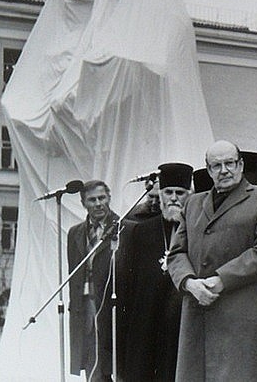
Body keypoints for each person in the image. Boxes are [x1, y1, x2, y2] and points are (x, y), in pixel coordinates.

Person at [167, 140, 257, 381]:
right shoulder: (193, 203)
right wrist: (189, 283)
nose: (224, 170)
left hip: (239, 315)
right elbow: (176, 253)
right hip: (197, 309)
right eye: (216, 165)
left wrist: (220, 279)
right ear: (208, 170)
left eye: (230, 163)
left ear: (241, 165)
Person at [119, 162, 193, 381]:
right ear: (160, 195)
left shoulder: (196, 230)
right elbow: (128, 283)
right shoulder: (141, 231)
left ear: (189, 195)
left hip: (179, 321)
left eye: (179, 193)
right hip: (146, 320)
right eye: (167, 192)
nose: (173, 198)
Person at [67, 180, 119, 381]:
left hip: (112, 305)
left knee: (114, 360)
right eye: (92, 200)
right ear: (83, 203)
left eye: (102, 198)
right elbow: (74, 276)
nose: (98, 204)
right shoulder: (75, 233)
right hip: (84, 306)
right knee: (91, 360)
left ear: (109, 199)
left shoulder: (123, 226)